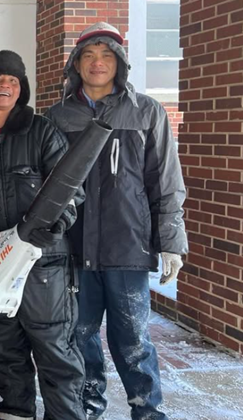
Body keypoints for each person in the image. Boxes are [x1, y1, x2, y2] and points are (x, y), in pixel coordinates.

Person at [45, 22, 187, 420]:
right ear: (76, 64)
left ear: (119, 63)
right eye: (88, 56)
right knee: (79, 337)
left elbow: (166, 181)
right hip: (73, 250)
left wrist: (171, 241)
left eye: (106, 55)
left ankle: (147, 412)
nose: (97, 63)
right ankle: (88, 408)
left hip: (128, 245)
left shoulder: (145, 111)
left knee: (134, 340)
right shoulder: (58, 116)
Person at [0, 50, 86, 420]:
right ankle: (16, 414)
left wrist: (55, 226)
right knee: (4, 348)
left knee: (54, 348)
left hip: (42, 264)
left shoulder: (42, 131)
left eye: (13, 80)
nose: (5, 85)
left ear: (22, 90)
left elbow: (70, 189)